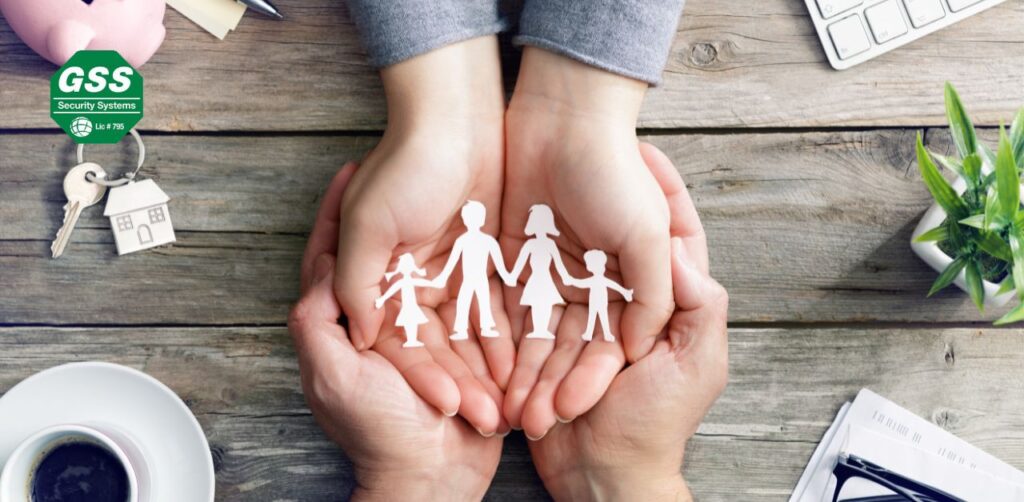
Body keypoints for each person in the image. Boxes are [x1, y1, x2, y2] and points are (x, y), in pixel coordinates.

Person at [289, 143, 727, 500]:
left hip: (522, 287)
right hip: (499, 287)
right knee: (468, 311)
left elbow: (512, 261)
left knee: (479, 307)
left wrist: (416, 483)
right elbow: (464, 265)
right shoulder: (480, 243)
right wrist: (631, 476)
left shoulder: (532, 246)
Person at [431, 200, 513, 341]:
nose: (470, 220)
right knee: (463, 301)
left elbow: (499, 262)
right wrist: (443, 277)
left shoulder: (488, 241)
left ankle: (486, 327)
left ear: (481, 219)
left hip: (481, 278)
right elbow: (452, 260)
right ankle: (461, 330)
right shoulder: (462, 240)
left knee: (483, 302)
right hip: (468, 279)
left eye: (474, 217)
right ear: (465, 219)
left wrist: (506, 276)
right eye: (468, 217)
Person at [505, 204, 576, 340]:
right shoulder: (530, 244)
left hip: (545, 278)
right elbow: (520, 261)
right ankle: (538, 329)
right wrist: (512, 276)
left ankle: (543, 329)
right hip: (535, 278)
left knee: (546, 303)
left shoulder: (550, 244)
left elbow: (558, 263)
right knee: (537, 303)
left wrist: (566, 276)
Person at [573, 249, 634, 343]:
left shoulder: (600, 280)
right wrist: (571, 281)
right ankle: (590, 333)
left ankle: (606, 334)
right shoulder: (595, 279)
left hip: (601, 302)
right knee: (593, 316)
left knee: (602, 317)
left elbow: (614, 285)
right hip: (594, 302)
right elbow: (581, 283)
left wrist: (624, 291)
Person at [375, 253, 433, 348]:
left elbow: (422, 282)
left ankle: (412, 340)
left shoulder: (409, 281)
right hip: (407, 306)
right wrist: (382, 299)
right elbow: (391, 290)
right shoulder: (402, 282)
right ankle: (411, 340)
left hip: (412, 306)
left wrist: (433, 283)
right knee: (409, 322)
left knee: (413, 322)